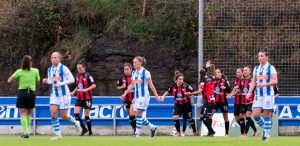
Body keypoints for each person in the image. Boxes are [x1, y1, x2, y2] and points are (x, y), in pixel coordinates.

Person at [42, 52, 81, 140]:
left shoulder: (63, 68)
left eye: (55, 57)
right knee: (53, 113)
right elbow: (51, 81)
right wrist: (46, 81)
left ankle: (76, 123)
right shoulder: (49, 69)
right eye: (52, 57)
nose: (53, 59)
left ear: (59, 59)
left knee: (64, 116)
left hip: (64, 95)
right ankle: (58, 135)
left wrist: (61, 84)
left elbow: (72, 79)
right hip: (54, 95)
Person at [121, 56, 160, 137]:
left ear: (140, 63)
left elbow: (151, 85)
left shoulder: (146, 72)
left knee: (138, 113)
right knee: (137, 115)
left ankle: (137, 134)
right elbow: (132, 85)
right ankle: (152, 127)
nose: (134, 64)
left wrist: (156, 96)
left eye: (135, 62)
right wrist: (125, 93)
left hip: (144, 96)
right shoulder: (134, 73)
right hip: (136, 97)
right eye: (133, 62)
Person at [246, 49, 278, 141]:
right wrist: (249, 92)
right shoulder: (256, 68)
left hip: (268, 95)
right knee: (255, 114)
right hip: (258, 95)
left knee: (267, 115)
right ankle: (266, 129)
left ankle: (266, 135)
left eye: (262, 56)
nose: (260, 58)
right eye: (259, 56)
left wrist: (264, 84)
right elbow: (253, 81)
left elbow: (275, 81)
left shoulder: (270, 68)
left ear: (266, 57)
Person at [7, 55, 40, 138]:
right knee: (29, 113)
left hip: (22, 92)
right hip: (31, 93)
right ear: (30, 63)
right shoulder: (35, 71)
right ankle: (27, 131)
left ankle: (25, 132)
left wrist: (17, 79)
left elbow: (9, 80)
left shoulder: (19, 71)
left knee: (22, 113)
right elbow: (38, 81)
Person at [161, 71, 197, 136]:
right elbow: (168, 91)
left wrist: (192, 100)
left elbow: (192, 91)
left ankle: (194, 132)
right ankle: (178, 132)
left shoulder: (186, 86)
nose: (181, 81)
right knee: (175, 117)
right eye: (180, 79)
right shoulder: (173, 86)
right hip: (177, 105)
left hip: (186, 104)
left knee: (190, 118)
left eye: (182, 79)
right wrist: (163, 96)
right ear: (176, 80)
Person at [71, 59, 96, 136]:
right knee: (76, 114)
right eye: (78, 68)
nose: (79, 70)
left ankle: (90, 132)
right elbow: (78, 86)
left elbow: (94, 85)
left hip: (87, 98)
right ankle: (84, 129)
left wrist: (86, 89)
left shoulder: (88, 76)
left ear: (84, 67)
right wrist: (74, 92)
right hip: (79, 98)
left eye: (80, 68)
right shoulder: (77, 76)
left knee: (86, 116)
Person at [187, 69, 215, 136]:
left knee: (205, 118)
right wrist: (210, 68)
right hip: (210, 101)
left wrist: (190, 93)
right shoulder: (211, 78)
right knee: (202, 117)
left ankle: (211, 131)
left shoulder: (203, 82)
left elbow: (199, 91)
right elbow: (214, 75)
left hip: (208, 101)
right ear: (206, 73)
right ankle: (210, 131)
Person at [117, 63, 136, 134]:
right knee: (130, 116)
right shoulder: (122, 78)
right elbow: (118, 87)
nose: (126, 71)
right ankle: (134, 129)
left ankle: (136, 130)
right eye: (125, 69)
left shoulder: (135, 76)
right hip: (126, 99)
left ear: (131, 69)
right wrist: (121, 87)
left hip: (134, 99)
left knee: (132, 114)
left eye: (127, 69)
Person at [211, 68, 231, 136]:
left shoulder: (225, 81)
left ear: (221, 73)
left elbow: (229, 90)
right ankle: (210, 131)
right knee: (210, 116)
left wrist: (225, 88)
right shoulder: (212, 81)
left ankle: (226, 133)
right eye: (216, 72)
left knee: (225, 118)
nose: (217, 73)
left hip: (223, 102)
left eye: (218, 72)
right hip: (215, 102)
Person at [240, 66, 259, 136]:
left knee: (248, 115)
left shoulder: (253, 81)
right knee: (243, 116)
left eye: (246, 70)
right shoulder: (242, 81)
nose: (244, 71)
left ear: (250, 72)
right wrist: (232, 93)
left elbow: (257, 91)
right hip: (243, 101)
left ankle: (245, 133)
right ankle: (256, 130)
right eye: (244, 70)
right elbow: (240, 90)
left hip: (251, 101)